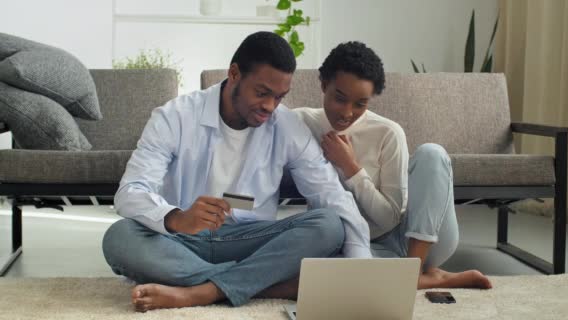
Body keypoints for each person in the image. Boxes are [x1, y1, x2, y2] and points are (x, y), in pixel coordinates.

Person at [102, 32, 372, 312]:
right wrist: (177, 218)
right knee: (119, 238)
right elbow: (130, 191)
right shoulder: (176, 116)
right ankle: (265, 285)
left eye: (279, 97)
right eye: (262, 92)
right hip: (181, 241)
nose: (270, 106)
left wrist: (360, 271)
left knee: (328, 224)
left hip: (249, 242)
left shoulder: (287, 127)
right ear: (234, 74)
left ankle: (200, 291)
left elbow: (332, 195)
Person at [295, 41, 492, 289]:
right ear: (324, 85)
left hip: (411, 238)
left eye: (360, 104)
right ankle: (429, 279)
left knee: (432, 153)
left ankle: (412, 272)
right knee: (315, 273)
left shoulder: (388, 132)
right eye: (339, 98)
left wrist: (351, 167)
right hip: (350, 245)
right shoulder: (301, 123)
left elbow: (389, 218)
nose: (347, 112)